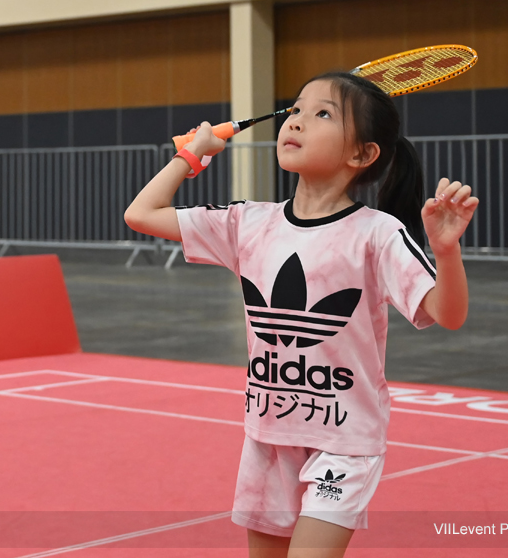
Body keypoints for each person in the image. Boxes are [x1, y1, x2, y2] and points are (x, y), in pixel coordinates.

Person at [124, 71, 479, 558]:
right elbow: (140, 214)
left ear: (361, 154)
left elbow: (447, 313)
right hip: (269, 438)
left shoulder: (376, 232)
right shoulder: (247, 222)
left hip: (344, 441)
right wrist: (192, 154)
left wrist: (446, 252)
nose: (296, 121)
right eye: (295, 110)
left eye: (322, 114)